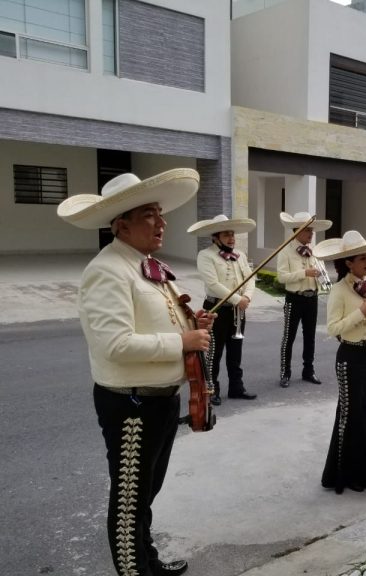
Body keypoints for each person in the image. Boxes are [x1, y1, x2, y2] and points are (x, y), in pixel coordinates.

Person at [56, 169, 213, 576]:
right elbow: (115, 344)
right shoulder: (107, 270)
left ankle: (149, 564)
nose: (162, 223)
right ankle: (135, 570)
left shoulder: (145, 265)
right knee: (130, 501)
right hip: (131, 404)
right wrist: (182, 341)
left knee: (146, 493)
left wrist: (192, 324)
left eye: (160, 214)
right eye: (149, 215)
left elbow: (158, 320)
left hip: (159, 400)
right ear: (121, 225)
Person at [313, 230, 366, 493]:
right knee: (351, 414)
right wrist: (360, 312)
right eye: (363, 258)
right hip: (349, 357)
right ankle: (346, 475)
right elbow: (333, 328)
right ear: (349, 262)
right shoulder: (339, 290)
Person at [187, 214, 258, 405]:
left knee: (236, 351)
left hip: (237, 310)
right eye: (226, 234)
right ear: (215, 237)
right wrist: (238, 300)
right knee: (214, 352)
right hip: (215, 308)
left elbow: (250, 278)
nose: (231, 238)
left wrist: (247, 297)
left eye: (232, 234)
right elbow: (213, 284)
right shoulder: (205, 255)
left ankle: (236, 387)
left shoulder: (240, 255)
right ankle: (212, 390)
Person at [276, 211, 333, 388]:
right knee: (289, 337)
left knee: (310, 337)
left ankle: (308, 370)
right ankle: (285, 372)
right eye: (308, 230)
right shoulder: (285, 251)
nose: (311, 234)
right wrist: (304, 273)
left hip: (312, 298)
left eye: (312, 230)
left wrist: (324, 279)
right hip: (294, 298)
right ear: (297, 231)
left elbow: (322, 273)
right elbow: (281, 277)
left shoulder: (314, 252)